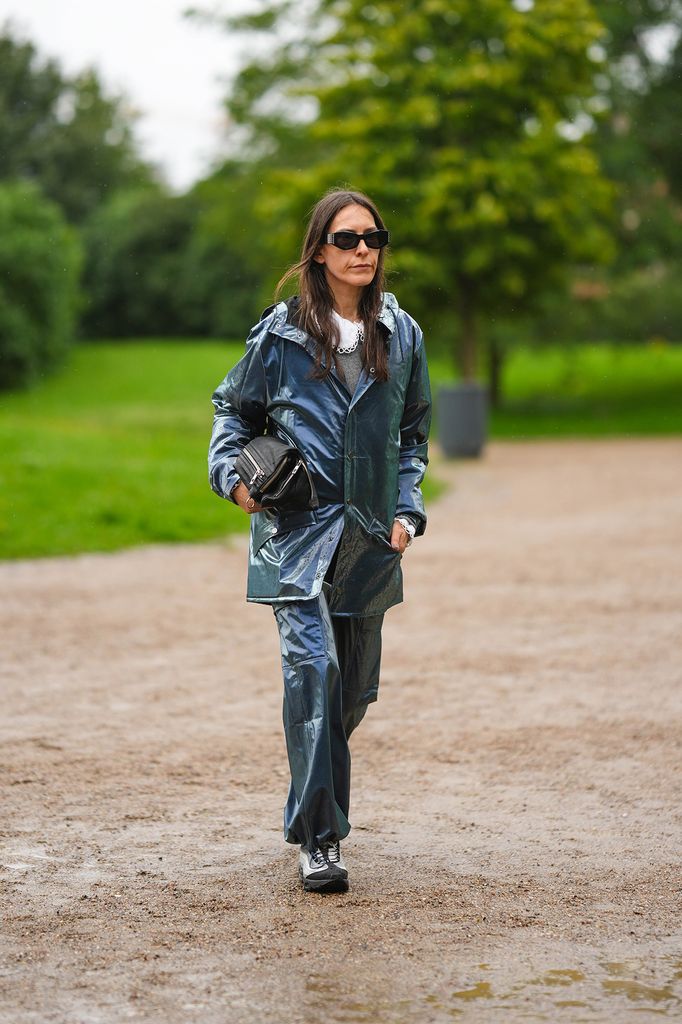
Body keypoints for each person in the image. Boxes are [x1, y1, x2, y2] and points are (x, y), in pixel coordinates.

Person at [208, 188, 431, 893]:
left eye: (373, 237)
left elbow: (415, 435)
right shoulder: (278, 339)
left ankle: (310, 807)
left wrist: (408, 510)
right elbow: (231, 412)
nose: (363, 249)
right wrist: (233, 480)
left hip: (369, 544)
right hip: (295, 538)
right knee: (315, 675)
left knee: (352, 695)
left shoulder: (405, 335)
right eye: (347, 239)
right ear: (319, 251)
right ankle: (321, 840)